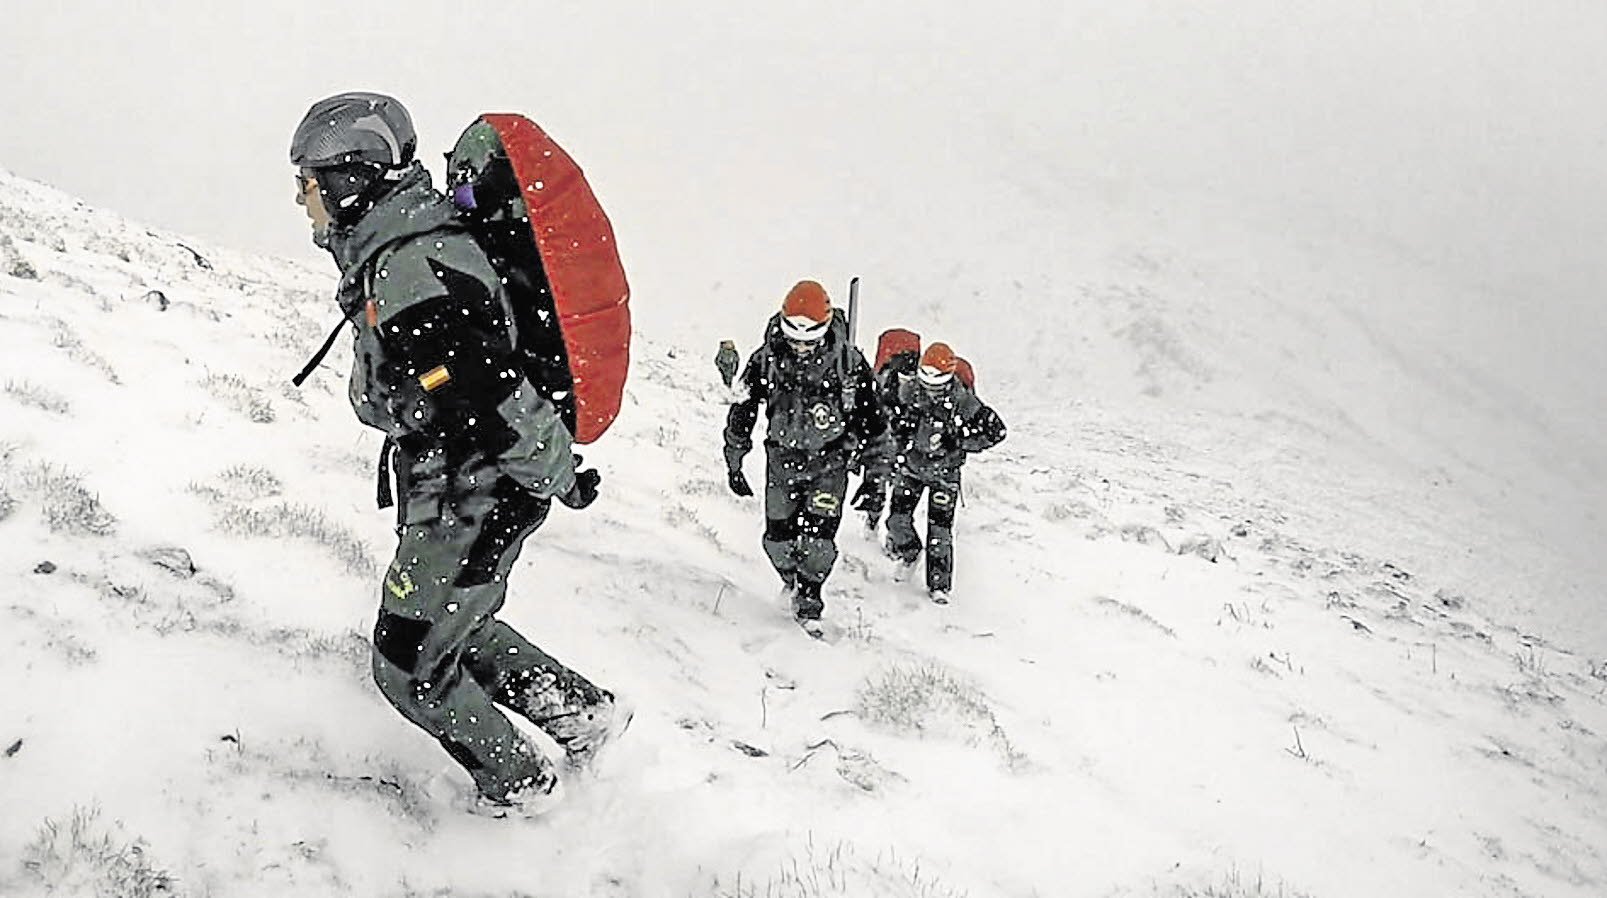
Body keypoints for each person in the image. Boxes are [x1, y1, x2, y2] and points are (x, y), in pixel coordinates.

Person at [288, 92, 627, 815]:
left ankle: (520, 789)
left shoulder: (411, 271)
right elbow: (453, 390)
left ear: (352, 179)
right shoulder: (402, 249)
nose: (301, 199)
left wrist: (556, 475)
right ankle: (582, 715)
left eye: (309, 181)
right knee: (450, 624)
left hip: (475, 496)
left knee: (406, 662)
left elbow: (495, 398)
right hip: (460, 489)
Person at [723, 280, 889, 637]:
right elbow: (742, 411)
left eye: (809, 338)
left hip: (830, 465)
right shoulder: (765, 359)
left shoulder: (850, 364)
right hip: (781, 463)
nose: (800, 346)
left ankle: (809, 601)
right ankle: (790, 578)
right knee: (777, 541)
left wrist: (875, 480)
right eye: (794, 337)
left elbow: (876, 427)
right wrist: (734, 460)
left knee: (818, 541)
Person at [884, 342, 1006, 604]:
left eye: (938, 382)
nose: (931, 388)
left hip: (945, 474)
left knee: (940, 532)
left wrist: (960, 440)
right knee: (896, 521)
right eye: (926, 379)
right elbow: (888, 415)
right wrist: (901, 431)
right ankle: (910, 552)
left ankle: (939, 586)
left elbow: (996, 431)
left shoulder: (963, 399)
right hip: (911, 469)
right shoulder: (909, 391)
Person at [849, 329, 921, 535]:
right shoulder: (913, 382)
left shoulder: (880, 379)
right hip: (898, 439)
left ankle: (874, 521)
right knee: (891, 484)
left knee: (878, 480)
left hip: (885, 436)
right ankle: (885, 527)